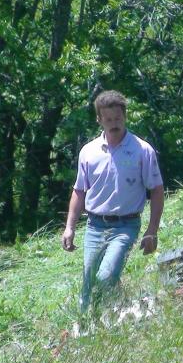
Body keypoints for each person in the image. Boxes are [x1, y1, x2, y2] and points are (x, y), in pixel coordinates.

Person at [62, 90, 164, 313]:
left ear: (125, 116)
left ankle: (121, 309)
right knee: (89, 282)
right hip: (95, 226)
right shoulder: (88, 152)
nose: (114, 124)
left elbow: (156, 190)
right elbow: (79, 191)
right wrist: (70, 228)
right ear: (99, 120)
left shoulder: (142, 150)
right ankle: (89, 324)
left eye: (118, 118)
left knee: (106, 276)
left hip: (125, 225)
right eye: (108, 119)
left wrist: (152, 230)